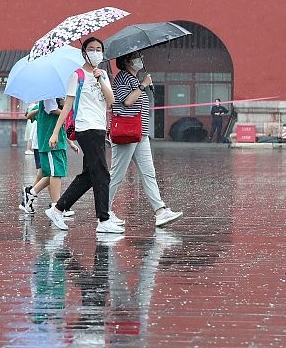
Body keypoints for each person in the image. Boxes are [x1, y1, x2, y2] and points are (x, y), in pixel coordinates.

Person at [44, 37, 123, 234]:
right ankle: (103, 220)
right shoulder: (77, 75)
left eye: (99, 49)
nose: (95, 52)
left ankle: (58, 209)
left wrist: (100, 79)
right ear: (84, 52)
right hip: (85, 128)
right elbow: (67, 106)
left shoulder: (102, 74)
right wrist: (55, 132)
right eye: (91, 49)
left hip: (99, 127)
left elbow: (111, 100)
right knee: (102, 173)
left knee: (89, 175)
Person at [108, 52, 183, 228]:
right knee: (117, 175)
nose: (140, 60)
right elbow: (127, 101)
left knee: (149, 173)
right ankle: (104, 212)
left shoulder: (133, 79)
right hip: (127, 133)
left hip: (140, 134)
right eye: (136, 57)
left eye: (140, 56)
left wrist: (142, 84)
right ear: (127, 61)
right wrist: (143, 85)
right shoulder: (122, 78)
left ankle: (160, 211)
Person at [21, 98, 79, 215]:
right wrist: (67, 112)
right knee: (54, 173)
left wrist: (71, 143)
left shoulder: (57, 97)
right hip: (50, 141)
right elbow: (50, 109)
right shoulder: (48, 96)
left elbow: (59, 121)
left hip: (58, 141)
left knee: (54, 173)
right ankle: (56, 206)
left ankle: (31, 193)